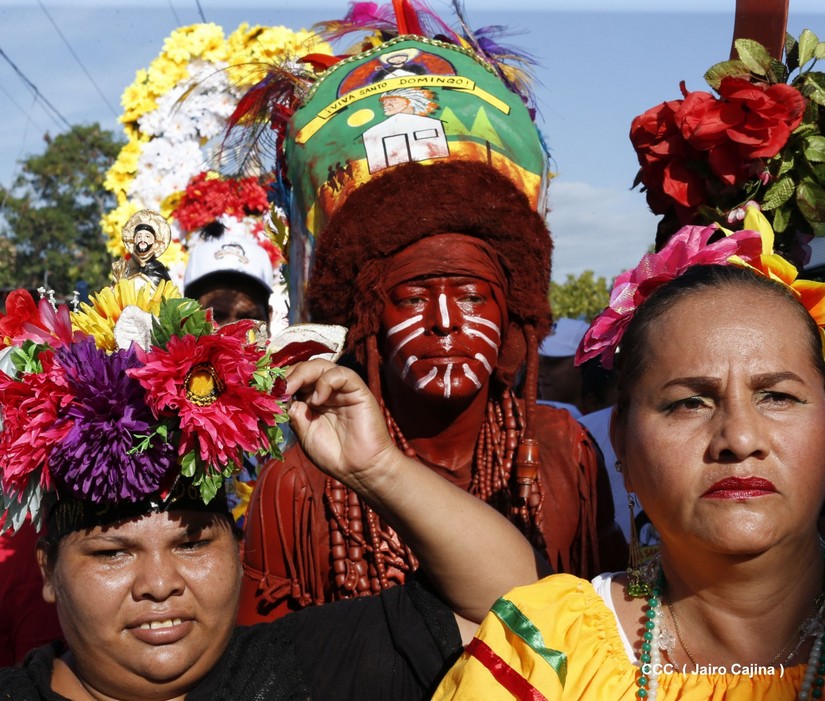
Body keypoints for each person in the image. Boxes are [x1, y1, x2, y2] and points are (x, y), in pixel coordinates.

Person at [229, 0, 624, 625]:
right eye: (413, 297)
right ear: (369, 322)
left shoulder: (564, 450)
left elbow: (611, 635)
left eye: (472, 295)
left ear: (511, 315)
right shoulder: (302, 483)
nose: (444, 319)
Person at [0, 273, 546, 699]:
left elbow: (514, 609)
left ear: (238, 552)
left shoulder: (304, 666)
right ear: (48, 571)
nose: (160, 584)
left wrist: (378, 468)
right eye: (113, 553)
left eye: (192, 544)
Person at [435, 211, 825, 699]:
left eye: (777, 397)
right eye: (690, 403)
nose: (740, 439)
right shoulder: (546, 650)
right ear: (620, 440)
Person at [536, 317, 592, 418]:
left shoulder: (608, 423)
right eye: (539, 362)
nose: (540, 372)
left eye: (553, 362)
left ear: (586, 364)